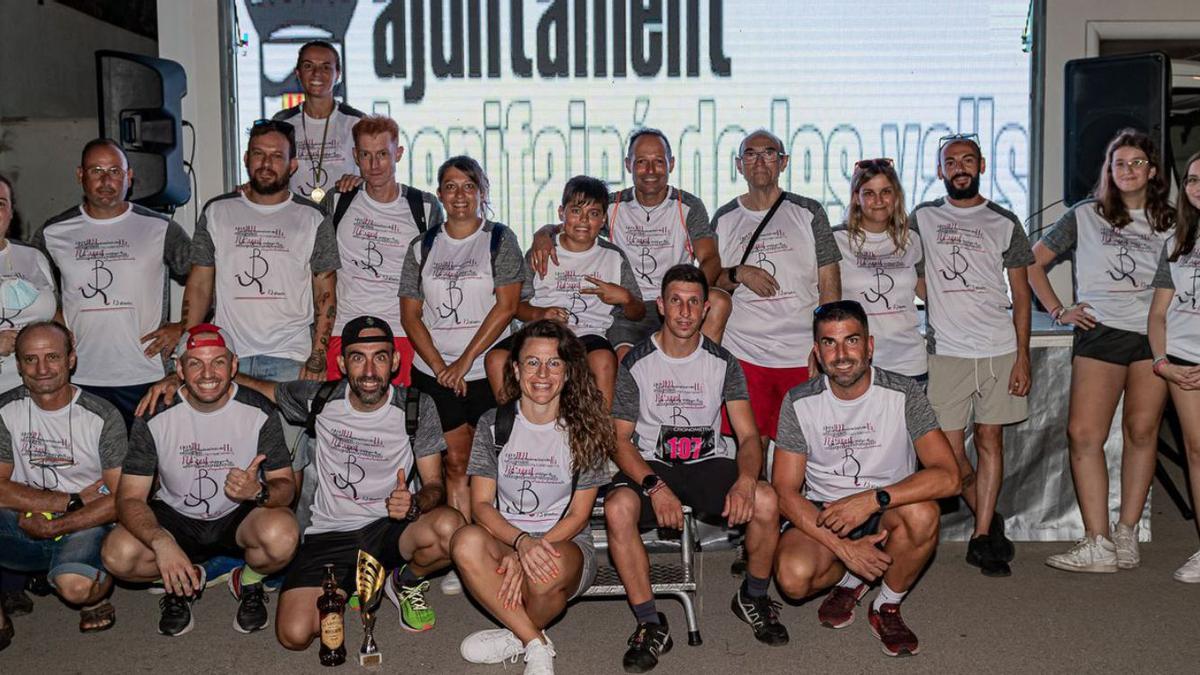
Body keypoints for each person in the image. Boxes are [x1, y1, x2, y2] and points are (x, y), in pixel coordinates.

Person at [605, 264, 786, 673]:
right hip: (653, 463)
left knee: (766, 498)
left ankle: (753, 596)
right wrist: (653, 485)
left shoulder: (723, 362)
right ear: (661, 306)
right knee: (618, 508)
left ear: (706, 308)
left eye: (692, 303)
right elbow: (618, 440)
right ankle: (650, 623)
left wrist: (745, 480)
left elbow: (749, 436)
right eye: (675, 302)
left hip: (707, 462)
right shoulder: (636, 361)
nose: (684, 312)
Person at [247, 317, 463, 648]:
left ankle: (402, 581)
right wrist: (184, 380)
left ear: (395, 361)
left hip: (390, 528)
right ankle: (351, 583)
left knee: (451, 528)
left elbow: (434, 484)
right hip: (330, 533)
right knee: (294, 635)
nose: (369, 370)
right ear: (341, 363)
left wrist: (416, 503)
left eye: (380, 356)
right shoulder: (318, 398)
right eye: (358, 357)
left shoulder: (416, 406)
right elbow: (260, 388)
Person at [772, 300, 958, 657]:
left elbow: (949, 476)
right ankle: (851, 577)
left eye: (852, 341)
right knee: (793, 580)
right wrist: (844, 548)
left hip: (889, 509)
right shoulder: (798, 401)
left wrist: (872, 499)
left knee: (923, 513)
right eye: (829, 342)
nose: (841, 354)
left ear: (869, 346)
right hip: (826, 513)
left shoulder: (904, 393)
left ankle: (885, 605)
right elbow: (783, 491)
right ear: (817, 350)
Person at [1029, 129, 1175, 573]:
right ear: (1108, 171)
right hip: (1101, 333)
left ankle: (1127, 530)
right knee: (1084, 435)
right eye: (1118, 163)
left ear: (1152, 172)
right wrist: (1057, 310)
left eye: (1136, 163)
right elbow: (1031, 262)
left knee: (1142, 432)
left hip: (1155, 335)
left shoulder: (1173, 221)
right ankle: (1098, 541)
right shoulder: (1085, 214)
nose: (1127, 170)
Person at [101, 324, 299, 637]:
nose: (208, 373)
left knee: (283, 535)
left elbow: (286, 487)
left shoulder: (259, 410)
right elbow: (128, 499)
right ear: (178, 368)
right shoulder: (155, 412)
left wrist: (258, 491)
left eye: (218, 362)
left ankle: (249, 580)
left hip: (237, 514)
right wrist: (161, 542)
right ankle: (181, 581)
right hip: (176, 516)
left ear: (234, 365)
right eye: (196, 363)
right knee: (117, 554)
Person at [451, 320, 612, 674]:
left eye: (554, 363)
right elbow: (479, 505)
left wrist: (530, 550)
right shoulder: (494, 424)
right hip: (507, 538)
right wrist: (520, 543)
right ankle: (534, 642)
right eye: (532, 362)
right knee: (464, 541)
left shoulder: (586, 428)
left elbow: (578, 516)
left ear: (568, 372)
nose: (543, 373)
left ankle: (514, 634)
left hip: (564, 544)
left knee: (544, 574)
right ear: (515, 368)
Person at [182, 119, 339, 478]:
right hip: (226, 359)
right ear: (246, 158)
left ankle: (286, 535)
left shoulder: (312, 217)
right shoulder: (217, 211)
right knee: (226, 459)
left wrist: (317, 356)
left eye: (276, 156)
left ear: (293, 165)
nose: (266, 163)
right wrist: (188, 347)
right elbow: (200, 285)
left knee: (288, 466)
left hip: (290, 358)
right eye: (258, 154)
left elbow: (326, 291)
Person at [398, 156, 525, 594]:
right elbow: (411, 315)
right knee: (454, 462)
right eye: (450, 186)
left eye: (468, 186)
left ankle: (491, 548)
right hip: (434, 371)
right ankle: (458, 553)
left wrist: (464, 362)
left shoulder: (501, 240)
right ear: (439, 195)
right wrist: (440, 367)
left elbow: (507, 306)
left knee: (490, 462)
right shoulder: (422, 246)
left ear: (482, 191)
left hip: (484, 368)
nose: (459, 195)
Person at [909, 132, 1033, 577]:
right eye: (950, 162)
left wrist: (1023, 356)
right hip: (947, 353)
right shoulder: (921, 218)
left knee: (989, 442)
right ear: (940, 170)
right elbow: (909, 273)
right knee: (947, 453)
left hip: (999, 349)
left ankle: (982, 538)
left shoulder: (1004, 220)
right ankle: (987, 512)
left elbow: (1021, 293)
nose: (959, 168)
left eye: (967, 160)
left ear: (980, 165)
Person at [529, 128, 732, 361]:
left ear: (671, 164)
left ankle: (701, 376)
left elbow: (710, 258)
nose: (650, 171)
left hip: (675, 301)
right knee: (624, 358)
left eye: (658, 162)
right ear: (628, 164)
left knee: (719, 300)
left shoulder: (688, 205)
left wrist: (690, 297)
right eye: (641, 162)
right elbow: (578, 223)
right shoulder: (613, 206)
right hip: (629, 307)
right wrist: (543, 233)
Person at [32, 139, 192, 429]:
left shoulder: (160, 228)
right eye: (96, 171)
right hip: (79, 375)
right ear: (80, 175)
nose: (106, 180)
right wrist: (54, 322)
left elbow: (206, 277)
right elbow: (30, 289)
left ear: (129, 177)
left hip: (146, 373)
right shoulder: (53, 232)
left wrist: (182, 325)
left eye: (115, 171)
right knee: (90, 470)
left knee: (148, 470)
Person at [712, 128, 842, 446]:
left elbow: (830, 285)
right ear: (738, 165)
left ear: (783, 162)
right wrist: (739, 273)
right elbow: (710, 282)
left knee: (800, 450)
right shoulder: (725, 218)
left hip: (799, 355)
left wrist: (822, 348)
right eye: (750, 154)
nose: (759, 161)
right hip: (744, 354)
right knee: (750, 448)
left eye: (769, 153)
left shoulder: (810, 212)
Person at [0, 322, 127, 644]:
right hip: (26, 518)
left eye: (52, 357)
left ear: (71, 360)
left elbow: (121, 498)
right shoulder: (5, 410)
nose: (42, 369)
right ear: (18, 365)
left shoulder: (101, 416)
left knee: (76, 588)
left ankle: (91, 591)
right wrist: (69, 500)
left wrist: (61, 524)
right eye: (30, 359)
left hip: (87, 524)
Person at [486, 175, 643, 407]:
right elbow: (517, 306)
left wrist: (625, 297)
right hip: (539, 333)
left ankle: (599, 433)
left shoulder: (613, 257)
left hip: (588, 334)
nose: (584, 220)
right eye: (576, 211)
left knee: (603, 361)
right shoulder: (541, 251)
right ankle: (511, 429)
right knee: (496, 359)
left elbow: (638, 312)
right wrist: (541, 314)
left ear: (603, 220)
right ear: (561, 213)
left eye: (594, 213)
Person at [323, 114, 444, 386]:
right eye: (366, 155)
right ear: (355, 156)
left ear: (398, 154)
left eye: (382, 154)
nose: (374, 165)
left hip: (404, 332)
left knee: (399, 422)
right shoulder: (338, 199)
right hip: (344, 330)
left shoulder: (424, 207)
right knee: (341, 421)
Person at [1149, 151, 1200, 582]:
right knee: (1197, 454)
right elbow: (1159, 314)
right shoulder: (1176, 244)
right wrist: (1162, 362)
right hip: (1183, 365)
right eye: (1192, 179)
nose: (1198, 187)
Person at [832, 159, 927, 379]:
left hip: (909, 362)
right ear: (856, 198)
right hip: (856, 365)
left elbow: (929, 291)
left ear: (896, 197)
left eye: (886, 192)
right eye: (869, 193)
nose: (878, 201)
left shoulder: (912, 239)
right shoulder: (835, 239)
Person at [273, 40, 364, 202]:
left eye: (326, 67)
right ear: (298, 73)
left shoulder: (357, 122)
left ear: (338, 74)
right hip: (297, 220)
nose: (316, 73)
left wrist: (361, 182)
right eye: (308, 66)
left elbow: (374, 177)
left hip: (345, 219)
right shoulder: (282, 122)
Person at [0, 174, 57, 394]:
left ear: (11, 212)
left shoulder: (34, 257)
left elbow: (53, 313)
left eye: (0, 204)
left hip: (37, 390)